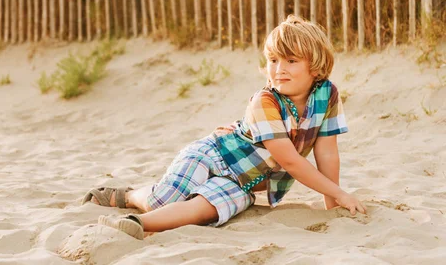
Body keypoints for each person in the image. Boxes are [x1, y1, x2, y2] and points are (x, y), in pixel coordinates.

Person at [82, 15, 367, 240]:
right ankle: (130, 196)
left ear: (315, 67)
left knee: (208, 209)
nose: (279, 68)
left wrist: (333, 203)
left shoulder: (326, 95)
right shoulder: (265, 101)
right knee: (163, 199)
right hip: (214, 154)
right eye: (274, 60)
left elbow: (327, 153)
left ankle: (135, 224)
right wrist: (341, 194)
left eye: (291, 61)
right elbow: (289, 160)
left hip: (245, 181)